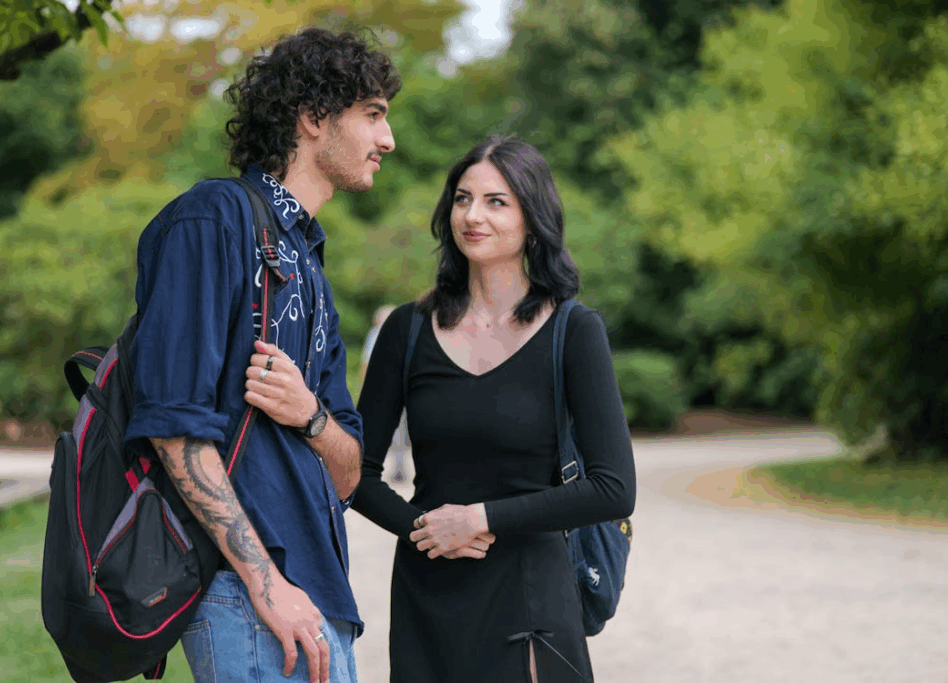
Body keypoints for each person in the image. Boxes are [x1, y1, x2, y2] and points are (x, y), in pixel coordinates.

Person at [123, 28, 398, 683]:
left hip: (320, 600)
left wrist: (308, 415)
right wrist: (267, 584)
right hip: (244, 595)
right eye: (373, 115)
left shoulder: (307, 264)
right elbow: (173, 426)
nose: (387, 140)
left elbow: (350, 473)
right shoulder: (211, 220)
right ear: (312, 118)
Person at [351, 135, 636, 682]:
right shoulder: (405, 330)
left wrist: (478, 519)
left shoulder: (573, 331)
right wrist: (424, 530)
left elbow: (613, 488)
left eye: (495, 201)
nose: (472, 215)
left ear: (533, 218)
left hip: (531, 594)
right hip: (428, 588)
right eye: (462, 199)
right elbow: (355, 474)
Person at [359, 305, 411, 483]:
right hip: (384, 389)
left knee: (400, 430)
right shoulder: (378, 334)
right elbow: (366, 364)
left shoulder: (400, 333)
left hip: (401, 388)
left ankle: (397, 467)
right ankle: (371, 470)